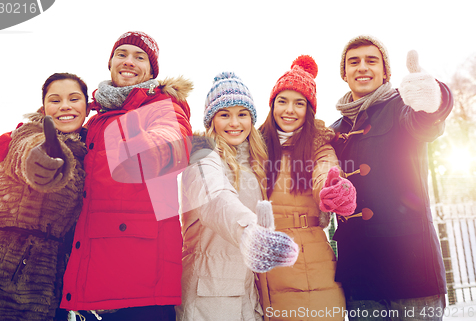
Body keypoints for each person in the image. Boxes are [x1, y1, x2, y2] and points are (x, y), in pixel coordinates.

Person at [60, 31, 193, 321]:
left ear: (151, 71)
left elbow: (173, 141)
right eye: (122, 54)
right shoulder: (94, 119)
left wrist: (146, 147)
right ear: (110, 63)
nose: (129, 61)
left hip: (140, 284)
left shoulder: (162, 107)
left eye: (139, 56)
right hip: (90, 279)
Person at [330, 35, 453, 320]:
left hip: (412, 272)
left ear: (385, 71)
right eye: (354, 62)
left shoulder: (403, 106)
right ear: (344, 73)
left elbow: (427, 121)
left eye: (372, 61)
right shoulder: (335, 131)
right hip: (361, 278)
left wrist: (433, 97)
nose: (362, 67)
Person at [176, 72, 299, 321]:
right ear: (212, 120)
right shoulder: (202, 154)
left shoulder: (254, 162)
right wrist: (250, 231)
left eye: (242, 114)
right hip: (207, 292)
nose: (234, 123)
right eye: (224, 115)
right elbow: (215, 198)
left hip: (245, 291)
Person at [0, 72, 90, 321]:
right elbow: (28, 158)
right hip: (9, 269)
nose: (65, 107)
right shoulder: (26, 135)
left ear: (87, 106)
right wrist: (45, 158)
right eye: (55, 100)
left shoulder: (85, 150)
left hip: (53, 274)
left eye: (74, 99)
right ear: (44, 107)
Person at [257, 55, 356, 320]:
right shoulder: (255, 146)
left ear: (308, 110)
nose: (289, 110)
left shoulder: (318, 145)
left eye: (299, 103)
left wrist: (333, 188)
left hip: (309, 257)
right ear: (272, 105)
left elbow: (325, 171)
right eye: (282, 101)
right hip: (262, 261)